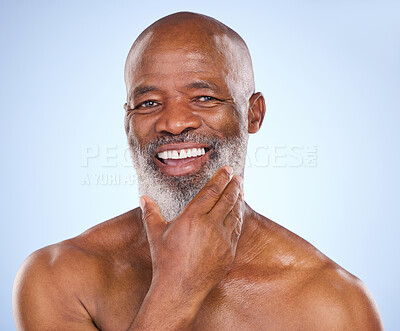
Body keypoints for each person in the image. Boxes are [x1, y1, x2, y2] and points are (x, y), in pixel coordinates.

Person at [12, 12, 383, 330]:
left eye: (204, 98)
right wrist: (176, 290)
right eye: (149, 102)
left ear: (253, 114)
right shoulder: (59, 277)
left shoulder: (333, 304)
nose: (173, 123)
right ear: (127, 122)